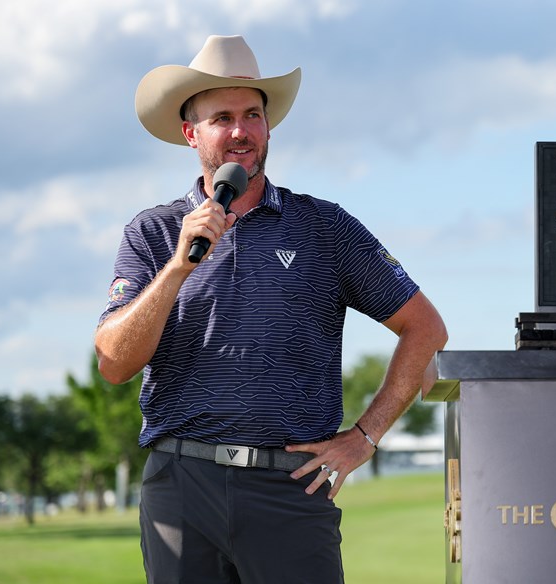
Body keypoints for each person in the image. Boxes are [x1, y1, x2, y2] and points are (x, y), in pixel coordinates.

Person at [94, 34, 447, 584]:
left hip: (291, 489)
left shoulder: (324, 226)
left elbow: (424, 328)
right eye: (223, 117)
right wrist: (179, 267)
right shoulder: (154, 231)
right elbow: (114, 363)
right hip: (181, 488)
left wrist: (365, 437)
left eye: (253, 115)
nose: (241, 131)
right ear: (191, 133)